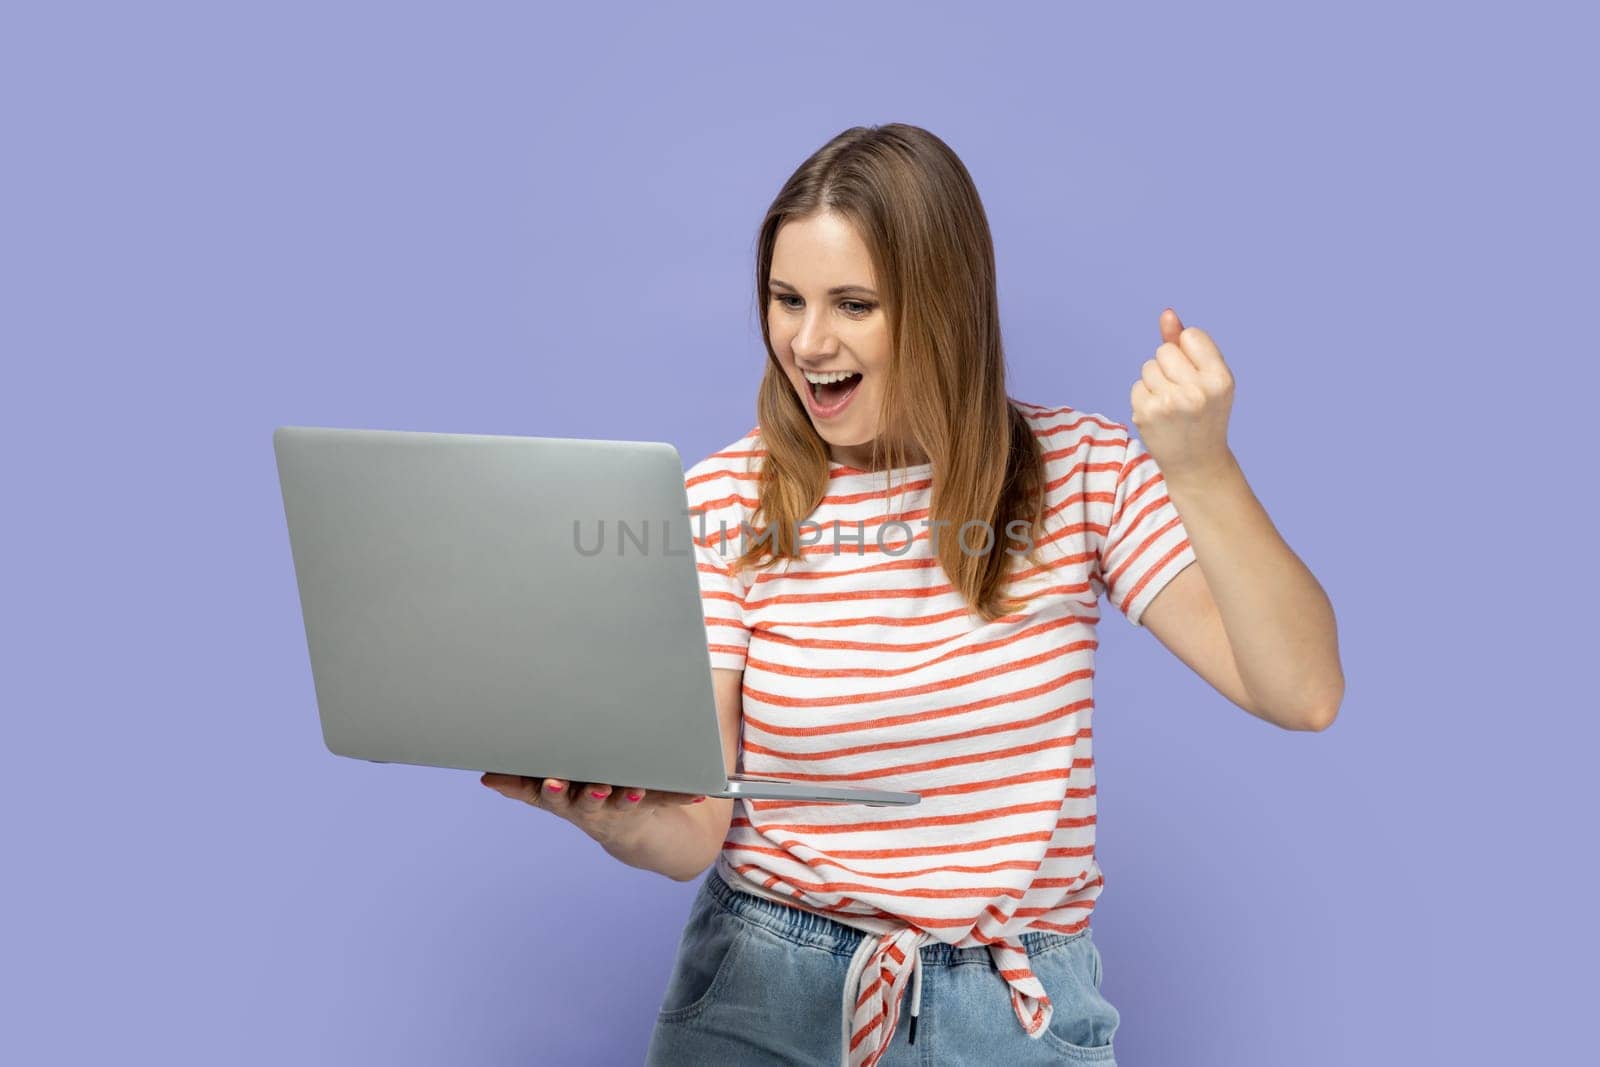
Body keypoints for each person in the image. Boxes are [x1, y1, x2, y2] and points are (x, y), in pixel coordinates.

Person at [481, 123, 1344, 1066]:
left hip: (1014, 1015)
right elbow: (697, 826)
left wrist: (1202, 467)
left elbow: (1300, 689)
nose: (809, 343)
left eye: (854, 304)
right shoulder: (723, 499)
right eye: (785, 299)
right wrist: (618, 814)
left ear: (944, 308)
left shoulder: (1085, 473)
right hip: (764, 995)